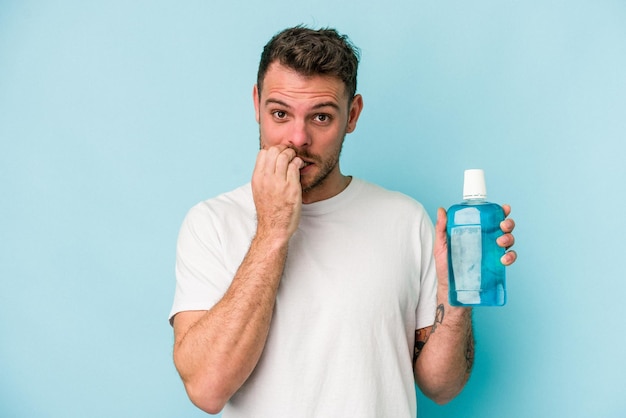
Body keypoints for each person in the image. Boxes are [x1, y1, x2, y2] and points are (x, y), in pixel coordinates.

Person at [169, 26, 517, 417]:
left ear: (352, 115)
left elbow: (441, 387)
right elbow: (207, 389)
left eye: (320, 117)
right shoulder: (211, 224)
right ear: (257, 105)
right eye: (280, 114)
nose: (297, 138)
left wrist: (456, 301)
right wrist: (273, 229)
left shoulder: (404, 219)